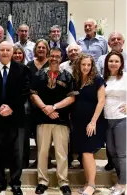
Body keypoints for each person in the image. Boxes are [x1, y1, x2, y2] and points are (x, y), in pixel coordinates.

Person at [0, 41, 31, 195]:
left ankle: (15, 182)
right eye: (2, 50)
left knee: (17, 152)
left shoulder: (23, 70)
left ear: (12, 52)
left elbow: (25, 92)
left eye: (7, 50)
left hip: (16, 117)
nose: (4, 52)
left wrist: (11, 107)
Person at [31, 48, 76, 195]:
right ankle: (42, 182)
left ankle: (63, 182)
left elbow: (71, 97)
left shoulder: (67, 76)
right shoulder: (39, 74)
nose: (54, 58)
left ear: (61, 58)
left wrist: (54, 107)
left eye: (57, 56)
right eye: (52, 56)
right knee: (42, 153)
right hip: (43, 119)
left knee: (61, 153)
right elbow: (33, 94)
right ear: (48, 57)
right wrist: (45, 108)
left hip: (61, 120)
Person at [71, 54, 107, 195]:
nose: (86, 67)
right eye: (83, 64)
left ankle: (92, 184)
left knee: (87, 152)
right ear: (78, 65)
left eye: (89, 65)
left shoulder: (97, 80)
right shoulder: (77, 80)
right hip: (78, 123)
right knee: (83, 152)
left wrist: (93, 122)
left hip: (92, 122)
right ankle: (87, 182)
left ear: (92, 66)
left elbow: (101, 101)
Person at [103, 51, 126, 195]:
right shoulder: (103, 78)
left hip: (121, 118)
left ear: (121, 63)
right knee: (111, 152)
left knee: (122, 154)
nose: (113, 63)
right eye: (111, 61)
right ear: (107, 63)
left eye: (116, 61)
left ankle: (122, 184)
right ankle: (121, 179)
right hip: (106, 119)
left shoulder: (125, 77)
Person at [26, 39, 50, 168]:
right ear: (35, 49)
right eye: (39, 47)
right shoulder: (29, 65)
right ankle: (40, 158)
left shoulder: (51, 64)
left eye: (43, 48)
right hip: (33, 104)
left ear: (47, 50)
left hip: (48, 104)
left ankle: (48, 158)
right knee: (36, 133)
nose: (41, 50)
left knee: (47, 133)